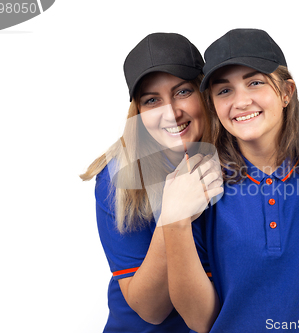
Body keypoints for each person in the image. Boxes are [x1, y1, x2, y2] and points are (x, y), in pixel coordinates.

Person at [162, 29, 299, 332]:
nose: (241, 102)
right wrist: (174, 223)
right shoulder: (199, 179)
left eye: (255, 82)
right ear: (213, 104)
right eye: (224, 91)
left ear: (286, 93)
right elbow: (200, 320)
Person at [80, 32, 222, 333]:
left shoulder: (236, 157)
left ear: (205, 92)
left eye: (183, 92)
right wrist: (173, 216)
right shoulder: (118, 176)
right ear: (139, 112)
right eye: (152, 100)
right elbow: (150, 311)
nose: (171, 113)